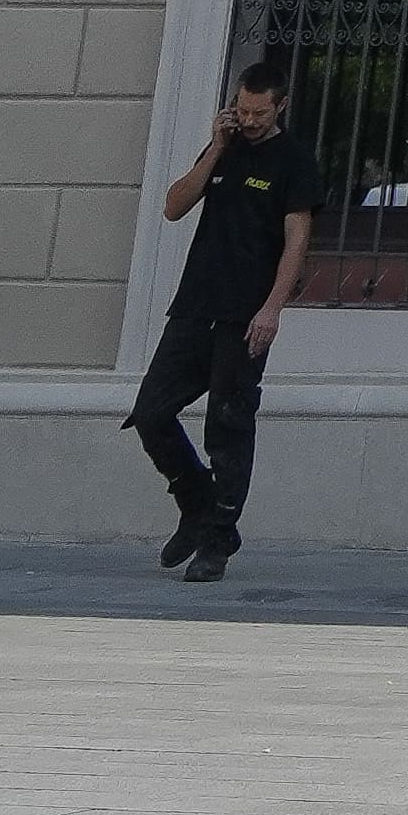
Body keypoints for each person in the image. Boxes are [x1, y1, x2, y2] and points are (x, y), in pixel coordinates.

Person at [132, 49, 316, 580]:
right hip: (195, 306)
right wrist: (216, 148)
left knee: (228, 425)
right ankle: (197, 505)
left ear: (279, 107)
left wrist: (272, 309)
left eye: (260, 113)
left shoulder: (294, 161)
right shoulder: (225, 150)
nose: (251, 120)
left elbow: (297, 239)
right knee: (151, 412)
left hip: (245, 314)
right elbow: (173, 205)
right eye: (243, 110)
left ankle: (218, 536)